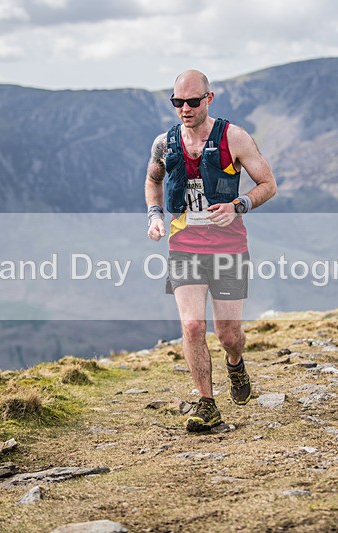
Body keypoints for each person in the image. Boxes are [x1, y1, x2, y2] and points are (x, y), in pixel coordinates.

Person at [144, 69, 277, 432]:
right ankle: (207, 403)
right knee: (191, 325)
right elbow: (153, 180)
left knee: (229, 334)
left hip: (229, 245)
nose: (184, 109)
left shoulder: (234, 138)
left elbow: (268, 184)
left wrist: (239, 206)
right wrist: (155, 216)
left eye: (192, 101)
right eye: (177, 102)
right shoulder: (165, 143)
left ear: (209, 99)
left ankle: (235, 364)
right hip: (184, 244)